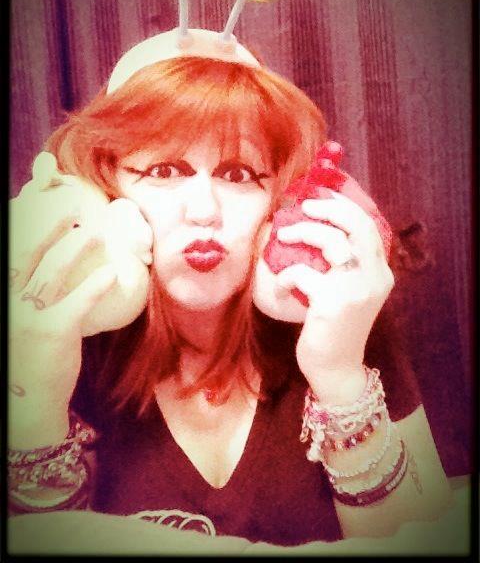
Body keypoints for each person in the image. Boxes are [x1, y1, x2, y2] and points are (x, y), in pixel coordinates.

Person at [8, 48, 454, 546]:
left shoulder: (336, 311)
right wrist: (36, 405)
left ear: (279, 201)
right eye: (163, 171)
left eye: (238, 174)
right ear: (108, 195)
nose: (203, 211)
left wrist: (340, 376)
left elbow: (423, 543)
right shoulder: (72, 330)